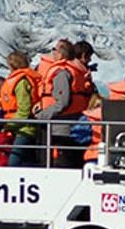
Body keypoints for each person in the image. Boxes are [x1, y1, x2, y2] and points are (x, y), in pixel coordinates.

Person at [38, 40, 95, 168]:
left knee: (63, 162)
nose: (52, 52)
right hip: (75, 124)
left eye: (54, 49)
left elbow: (63, 102)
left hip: (60, 127)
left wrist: (41, 116)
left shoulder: (63, 72)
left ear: (61, 53)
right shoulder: (78, 72)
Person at [0, 51, 41, 167]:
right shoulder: (17, 80)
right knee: (28, 159)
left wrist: (8, 125)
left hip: (24, 127)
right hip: (17, 126)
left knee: (14, 159)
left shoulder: (21, 83)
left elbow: (24, 109)